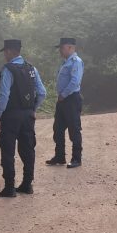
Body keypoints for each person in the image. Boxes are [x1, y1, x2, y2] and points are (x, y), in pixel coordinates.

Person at [0, 39, 47, 198]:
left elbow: (4, 96)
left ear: (10, 51)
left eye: (5, 51)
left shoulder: (7, 70)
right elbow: (42, 93)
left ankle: (9, 188)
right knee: (28, 149)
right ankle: (27, 184)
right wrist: (33, 109)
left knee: (8, 150)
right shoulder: (32, 69)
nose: (4, 55)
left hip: (11, 115)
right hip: (28, 116)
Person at [47, 37, 84, 168]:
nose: (60, 51)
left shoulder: (76, 62)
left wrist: (63, 94)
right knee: (58, 128)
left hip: (71, 99)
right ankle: (60, 156)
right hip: (63, 100)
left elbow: (75, 82)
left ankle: (76, 158)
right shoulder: (65, 62)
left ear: (70, 47)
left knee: (74, 129)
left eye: (62, 48)